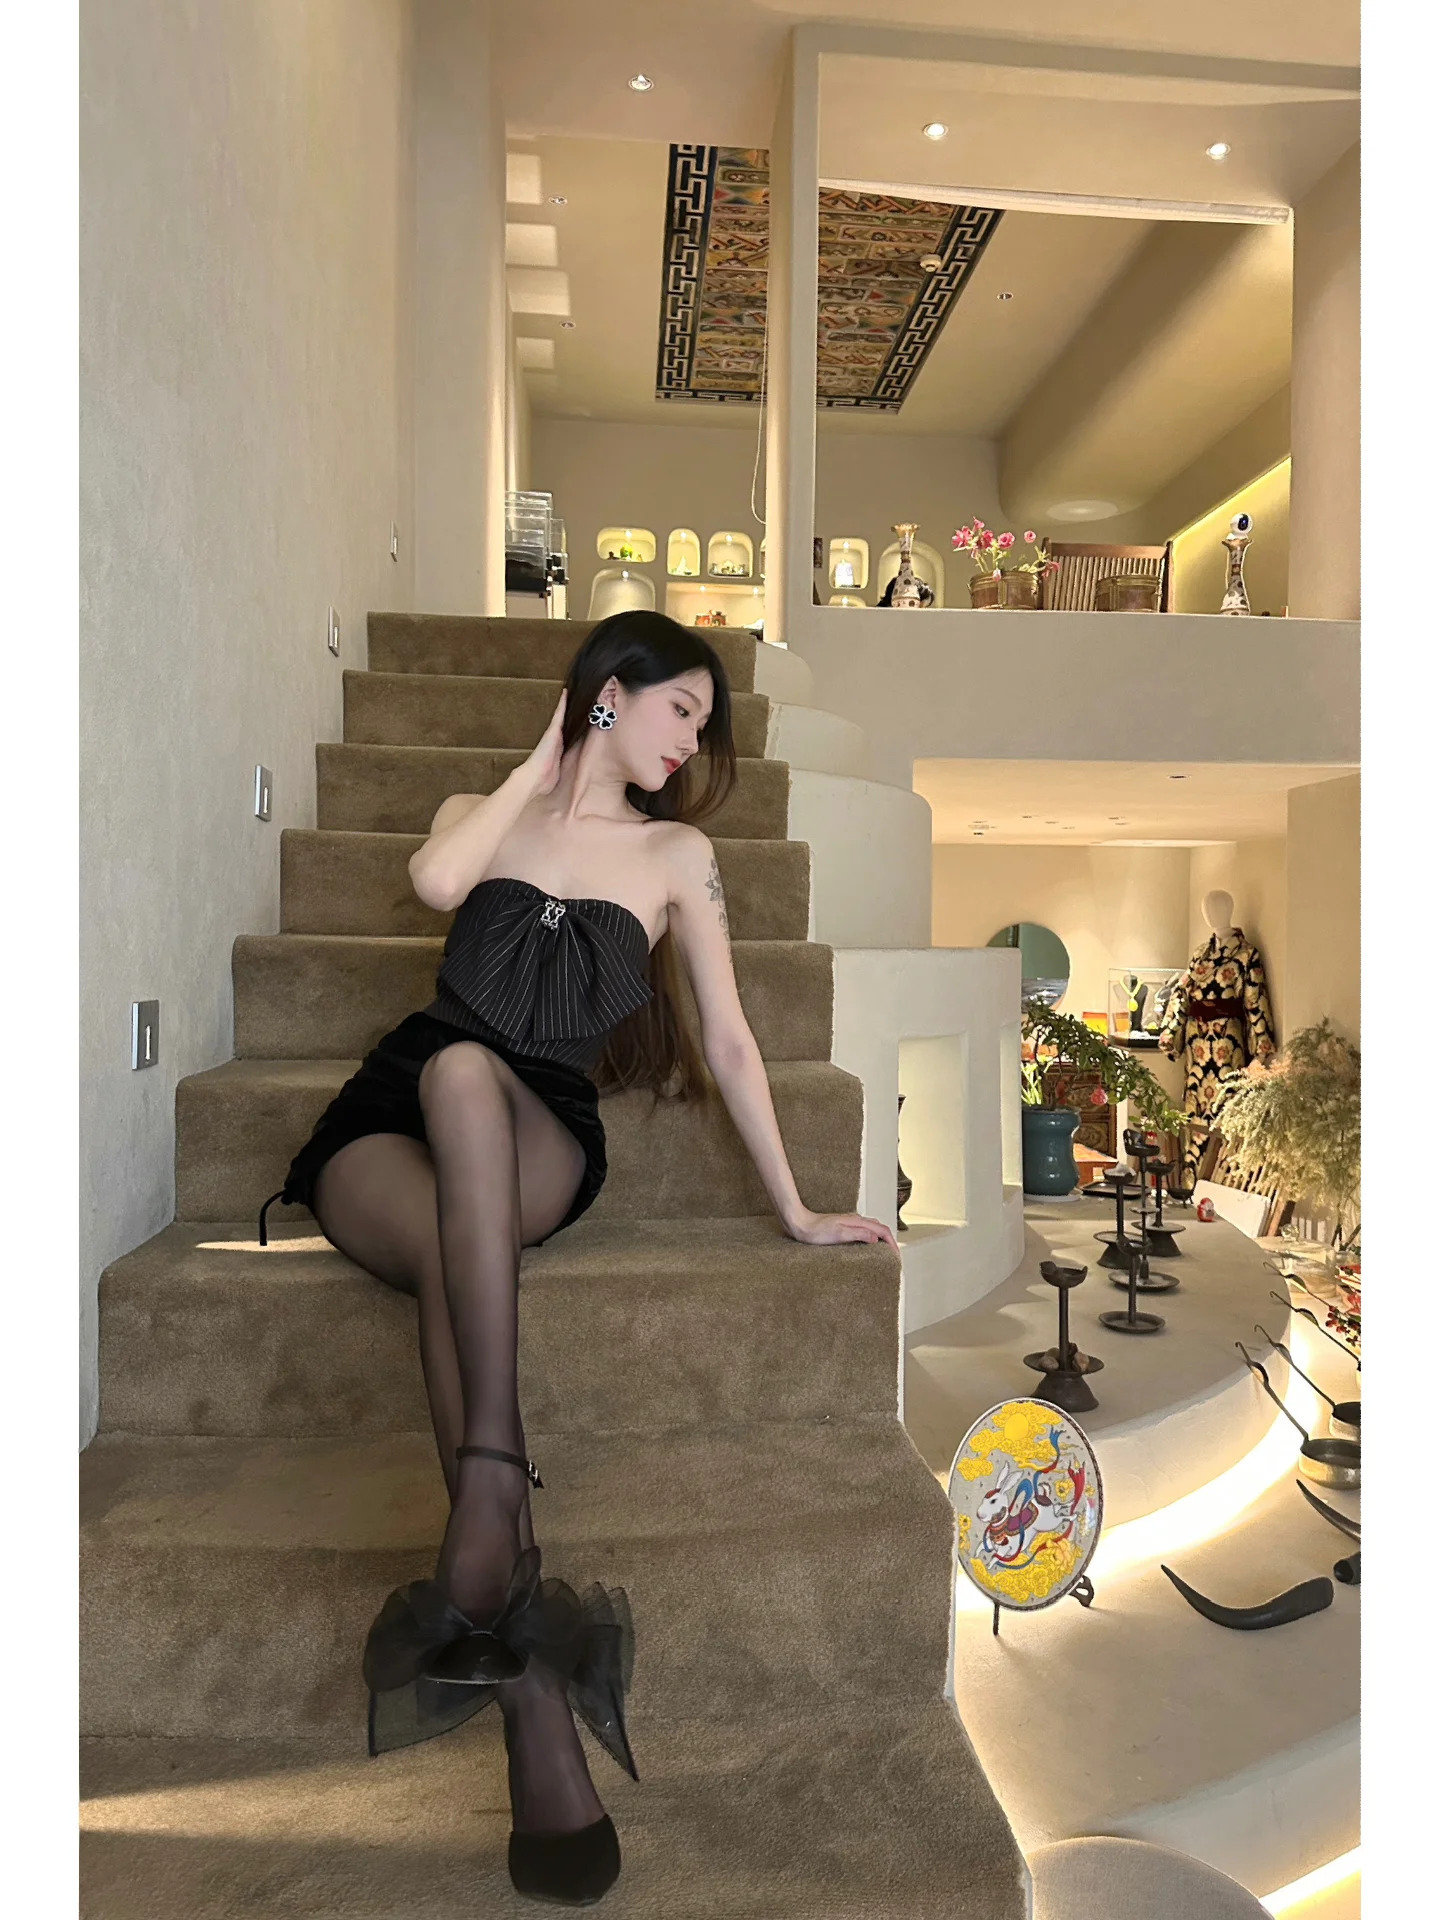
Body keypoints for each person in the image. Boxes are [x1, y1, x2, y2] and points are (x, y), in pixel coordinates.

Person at [257, 609, 896, 1906]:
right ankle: (528, 1667)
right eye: (680, 709)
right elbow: (439, 886)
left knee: (472, 1091)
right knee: (450, 1105)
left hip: (541, 1126)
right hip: (389, 1121)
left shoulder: (677, 856)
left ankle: (489, 1500)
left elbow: (728, 1039)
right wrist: (540, 761)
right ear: (612, 690)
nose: (693, 741)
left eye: (705, 725)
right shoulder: (481, 811)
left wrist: (793, 1206)